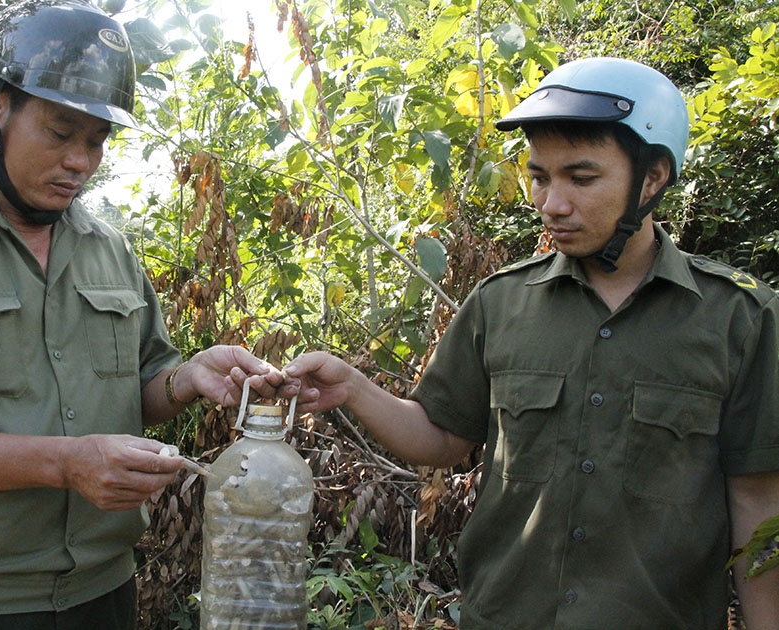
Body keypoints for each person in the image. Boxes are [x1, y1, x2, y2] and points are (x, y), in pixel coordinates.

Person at [280, 57, 779, 629]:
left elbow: (759, 506)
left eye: (581, 178)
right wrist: (354, 388)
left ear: (653, 177)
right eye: (541, 177)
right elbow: (443, 437)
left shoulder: (740, 319)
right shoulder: (501, 303)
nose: (552, 203)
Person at [0, 0, 281, 627]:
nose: (82, 161)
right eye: (60, 133)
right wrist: (68, 464)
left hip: (104, 593)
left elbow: (143, 386)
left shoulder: (110, 250)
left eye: (97, 141)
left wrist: (189, 378)